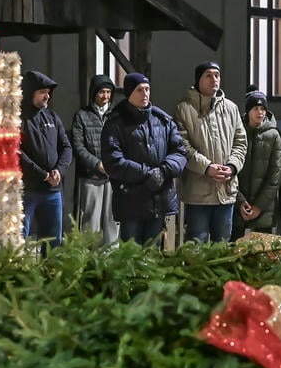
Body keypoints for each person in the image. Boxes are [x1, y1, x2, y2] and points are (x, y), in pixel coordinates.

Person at [101, 73, 187, 244]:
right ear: (129, 93)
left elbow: (180, 151)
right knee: (131, 253)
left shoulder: (163, 120)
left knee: (153, 252)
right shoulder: (115, 123)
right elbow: (113, 160)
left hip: (158, 200)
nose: (145, 94)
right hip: (131, 200)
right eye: (139, 90)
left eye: (147, 89)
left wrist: (163, 171)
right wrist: (147, 174)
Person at [175, 61, 247, 242]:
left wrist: (231, 167)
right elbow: (183, 146)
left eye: (217, 75)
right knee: (196, 244)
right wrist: (207, 167)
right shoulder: (184, 109)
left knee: (222, 244)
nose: (214, 79)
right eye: (208, 75)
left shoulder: (231, 108)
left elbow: (240, 143)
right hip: (198, 192)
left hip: (225, 189)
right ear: (198, 80)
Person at [19, 70, 72, 249]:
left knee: (53, 243)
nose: (47, 96)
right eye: (42, 92)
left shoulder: (52, 117)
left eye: (48, 92)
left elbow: (66, 147)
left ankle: (49, 268)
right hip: (27, 190)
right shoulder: (18, 119)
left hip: (53, 191)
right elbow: (17, 152)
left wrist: (59, 171)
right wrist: (42, 174)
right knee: (20, 240)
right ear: (30, 92)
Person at [70, 74, 117, 245]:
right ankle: (89, 257)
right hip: (91, 176)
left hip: (113, 177)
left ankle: (112, 256)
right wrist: (97, 164)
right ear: (94, 93)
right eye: (102, 92)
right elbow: (78, 146)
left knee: (113, 221)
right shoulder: (82, 116)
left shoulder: (117, 115)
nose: (105, 96)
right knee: (91, 221)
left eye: (108, 92)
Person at [233, 89, 281, 238]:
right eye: (255, 108)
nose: (260, 112)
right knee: (233, 246)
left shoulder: (273, 135)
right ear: (248, 111)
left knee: (262, 246)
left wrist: (258, 206)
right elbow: (231, 169)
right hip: (237, 203)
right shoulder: (237, 131)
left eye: (263, 109)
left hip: (263, 207)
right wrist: (240, 201)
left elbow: (275, 176)